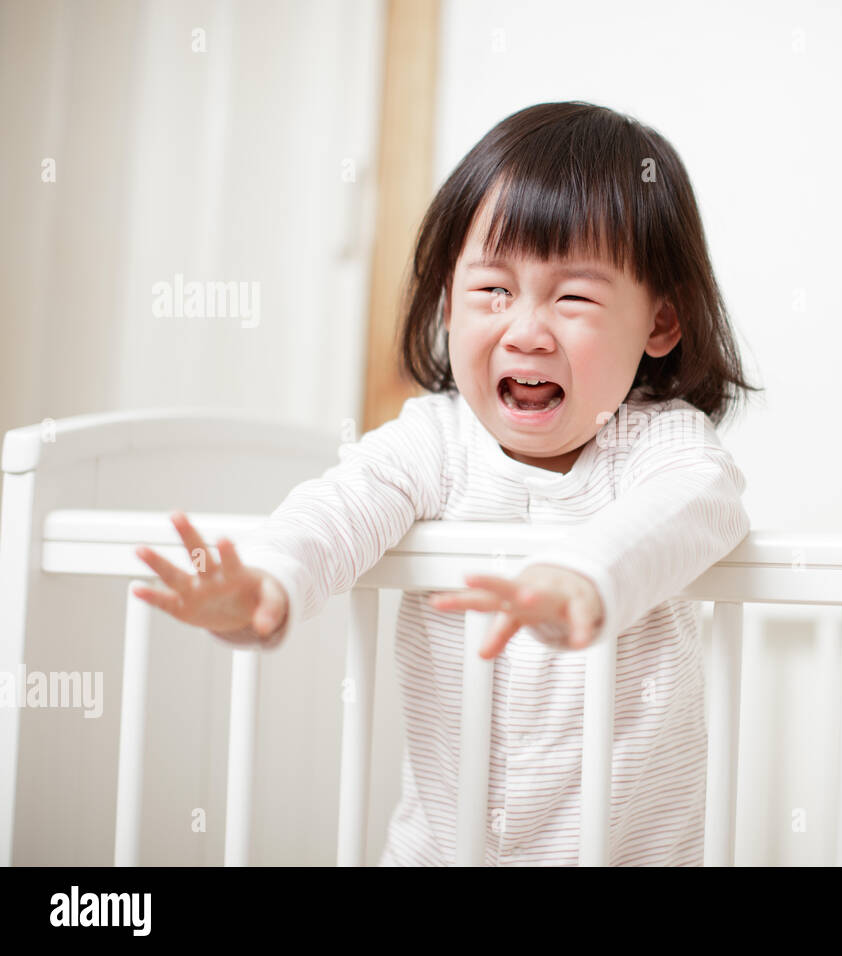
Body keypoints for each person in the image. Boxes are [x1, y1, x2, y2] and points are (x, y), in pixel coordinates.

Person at [131, 100, 762, 865]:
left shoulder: (659, 446)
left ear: (661, 324)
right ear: (446, 300)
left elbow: (697, 504)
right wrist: (270, 579)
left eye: (574, 298)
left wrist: (584, 577)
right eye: (491, 290)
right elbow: (339, 507)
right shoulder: (434, 442)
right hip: (439, 852)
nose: (525, 329)